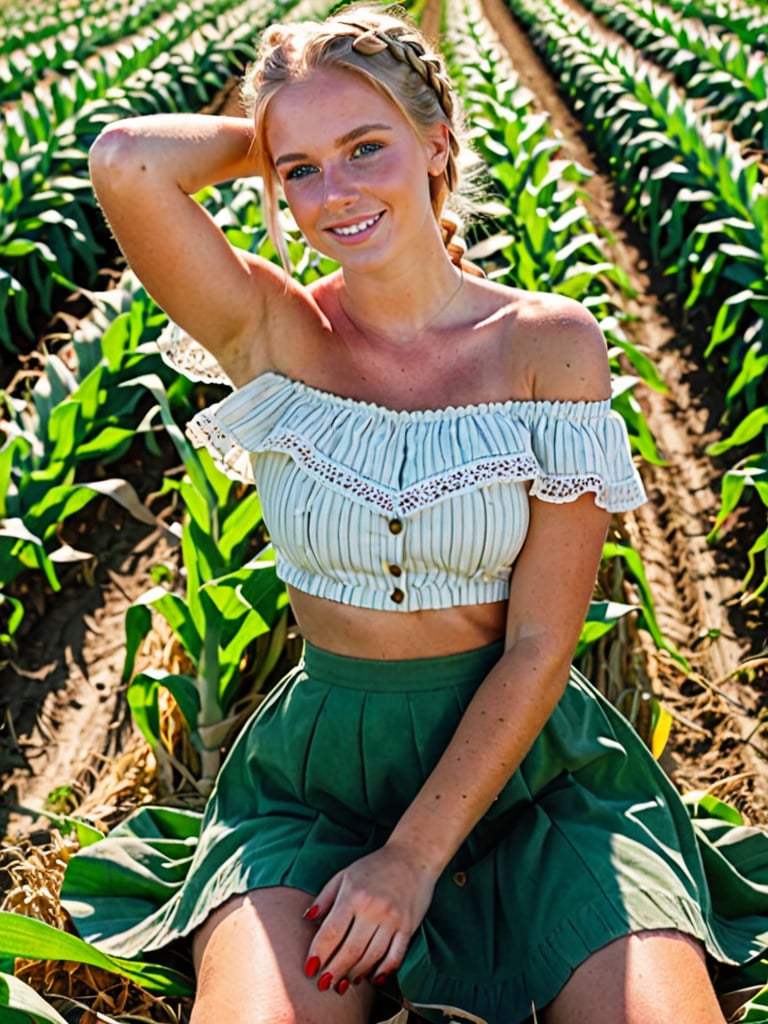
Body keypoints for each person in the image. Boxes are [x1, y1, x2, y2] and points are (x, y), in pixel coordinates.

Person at [70, 4, 768, 1022]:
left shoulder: (547, 346)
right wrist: (278, 125)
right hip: (320, 787)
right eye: (299, 169)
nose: (333, 192)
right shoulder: (271, 330)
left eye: (366, 147)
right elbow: (128, 160)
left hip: (536, 782)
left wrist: (410, 860)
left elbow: (540, 643)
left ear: (437, 142)